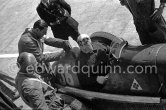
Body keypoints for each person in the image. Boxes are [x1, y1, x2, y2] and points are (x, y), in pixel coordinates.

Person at [15, 52, 88, 110]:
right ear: (29, 68)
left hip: (50, 96)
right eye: (35, 64)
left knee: (73, 100)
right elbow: (41, 108)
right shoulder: (32, 87)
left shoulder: (20, 76)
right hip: (52, 105)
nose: (37, 64)